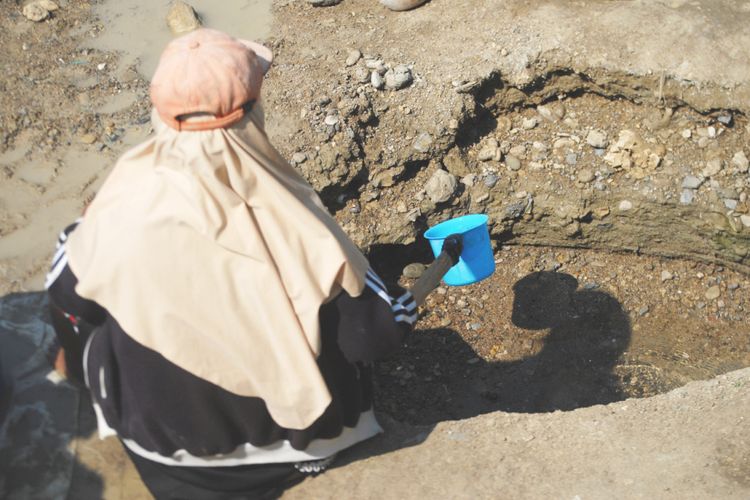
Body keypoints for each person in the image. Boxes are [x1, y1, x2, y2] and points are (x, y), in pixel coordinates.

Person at [46, 28, 418, 499]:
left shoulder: (108, 218)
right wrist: (402, 307)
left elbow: (65, 300)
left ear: (160, 114)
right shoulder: (306, 235)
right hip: (294, 450)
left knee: (89, 308)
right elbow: (375, 337)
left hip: (169, 456)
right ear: (251, 115)